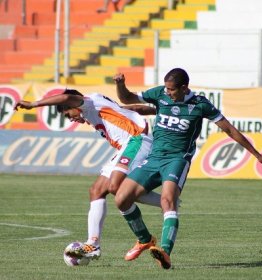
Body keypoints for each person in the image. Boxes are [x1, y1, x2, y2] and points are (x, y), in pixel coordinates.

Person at [113, 68, 262, 269]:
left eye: (171, 89)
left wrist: (257, 154)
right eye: (167, 88)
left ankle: (165, 252)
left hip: (177, 159)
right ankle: (144, 239)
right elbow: (127, 98)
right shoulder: (160, 94)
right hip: (154, 158)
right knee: (121, 198)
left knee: (167, 200)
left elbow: (230, 129)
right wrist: (120, 84)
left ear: (184, 87)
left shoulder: (200, 104)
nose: (167, 92)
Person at [14, 89, 163, 261]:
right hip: (128, 145)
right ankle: (94, 244)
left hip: (136, 140)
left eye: (68, 113)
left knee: (115, 187)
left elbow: (67, 97)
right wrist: (159, 110)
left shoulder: (89, 104)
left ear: (74, 104)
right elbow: (133, 110)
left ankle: (167, 203)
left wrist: (33, 104)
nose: (70, 118)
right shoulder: (98, 106)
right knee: (97, 190)